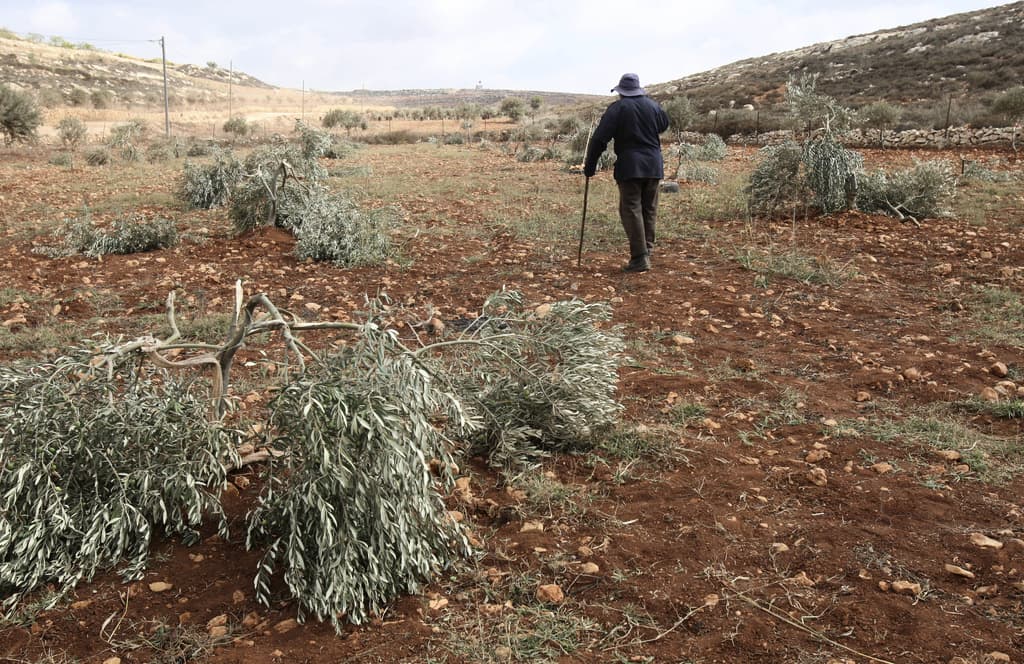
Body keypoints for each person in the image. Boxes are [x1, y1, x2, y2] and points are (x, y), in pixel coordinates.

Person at [584, 73, 670, 273]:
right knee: (649, 208)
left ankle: (640, 258)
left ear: (621, 92)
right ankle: (646, 251)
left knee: (631, 209)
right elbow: (663, 125)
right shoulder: (653, 106)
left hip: (630, 166)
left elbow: (599, 139)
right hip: (654, 165)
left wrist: (590, 165)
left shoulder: (618, 108)